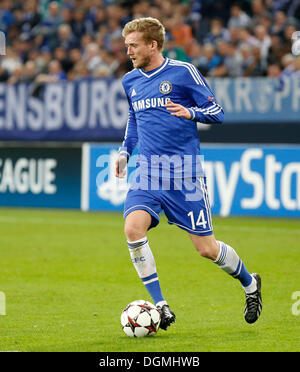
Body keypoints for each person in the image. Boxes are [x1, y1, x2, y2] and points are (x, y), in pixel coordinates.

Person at [115, 17, 262, 331]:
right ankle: (160, 305)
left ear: (153, 44)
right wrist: (125, 152)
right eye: (127, 45)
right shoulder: (130, 81)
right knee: (132, 229)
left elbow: (217, 112)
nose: (128, 51)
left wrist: (191, 112)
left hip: (185, 174)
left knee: (206, 249)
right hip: (148, 173)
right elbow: (134, 120)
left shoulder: (183, 73)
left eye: (134, 45)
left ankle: (250, 284)